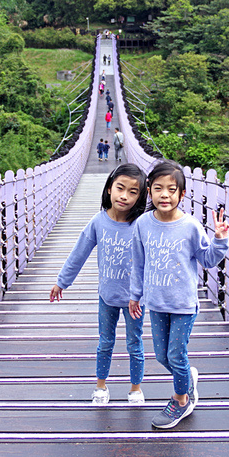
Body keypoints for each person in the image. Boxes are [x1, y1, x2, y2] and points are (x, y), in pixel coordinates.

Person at [129, 161, 229, 429]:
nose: (165, 195)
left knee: (175, 355)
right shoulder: (142, 225)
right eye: (158, 189)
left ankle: (181, 400)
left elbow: (207, 260)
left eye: (171, 190)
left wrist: (219, 240)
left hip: (184, 304)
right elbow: (138, 263)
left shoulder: (191, 226)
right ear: (149, 191)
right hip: (156, 303)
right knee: (162, 357)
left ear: (181, 194)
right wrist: (134, 295)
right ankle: (188, 380)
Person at [51, 164, 149, 405]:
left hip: (135, 299)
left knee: (134, 343)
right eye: (120, 188)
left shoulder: (143, 224)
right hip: (107, 296)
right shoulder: (98, 221)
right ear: (109, 189)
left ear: (141, 197)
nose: (124, 196)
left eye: (133, 192)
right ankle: (101, 386)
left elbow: (157, 259)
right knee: (105, 342)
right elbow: (79, 252)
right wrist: (62, 282)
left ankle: (135, 389)